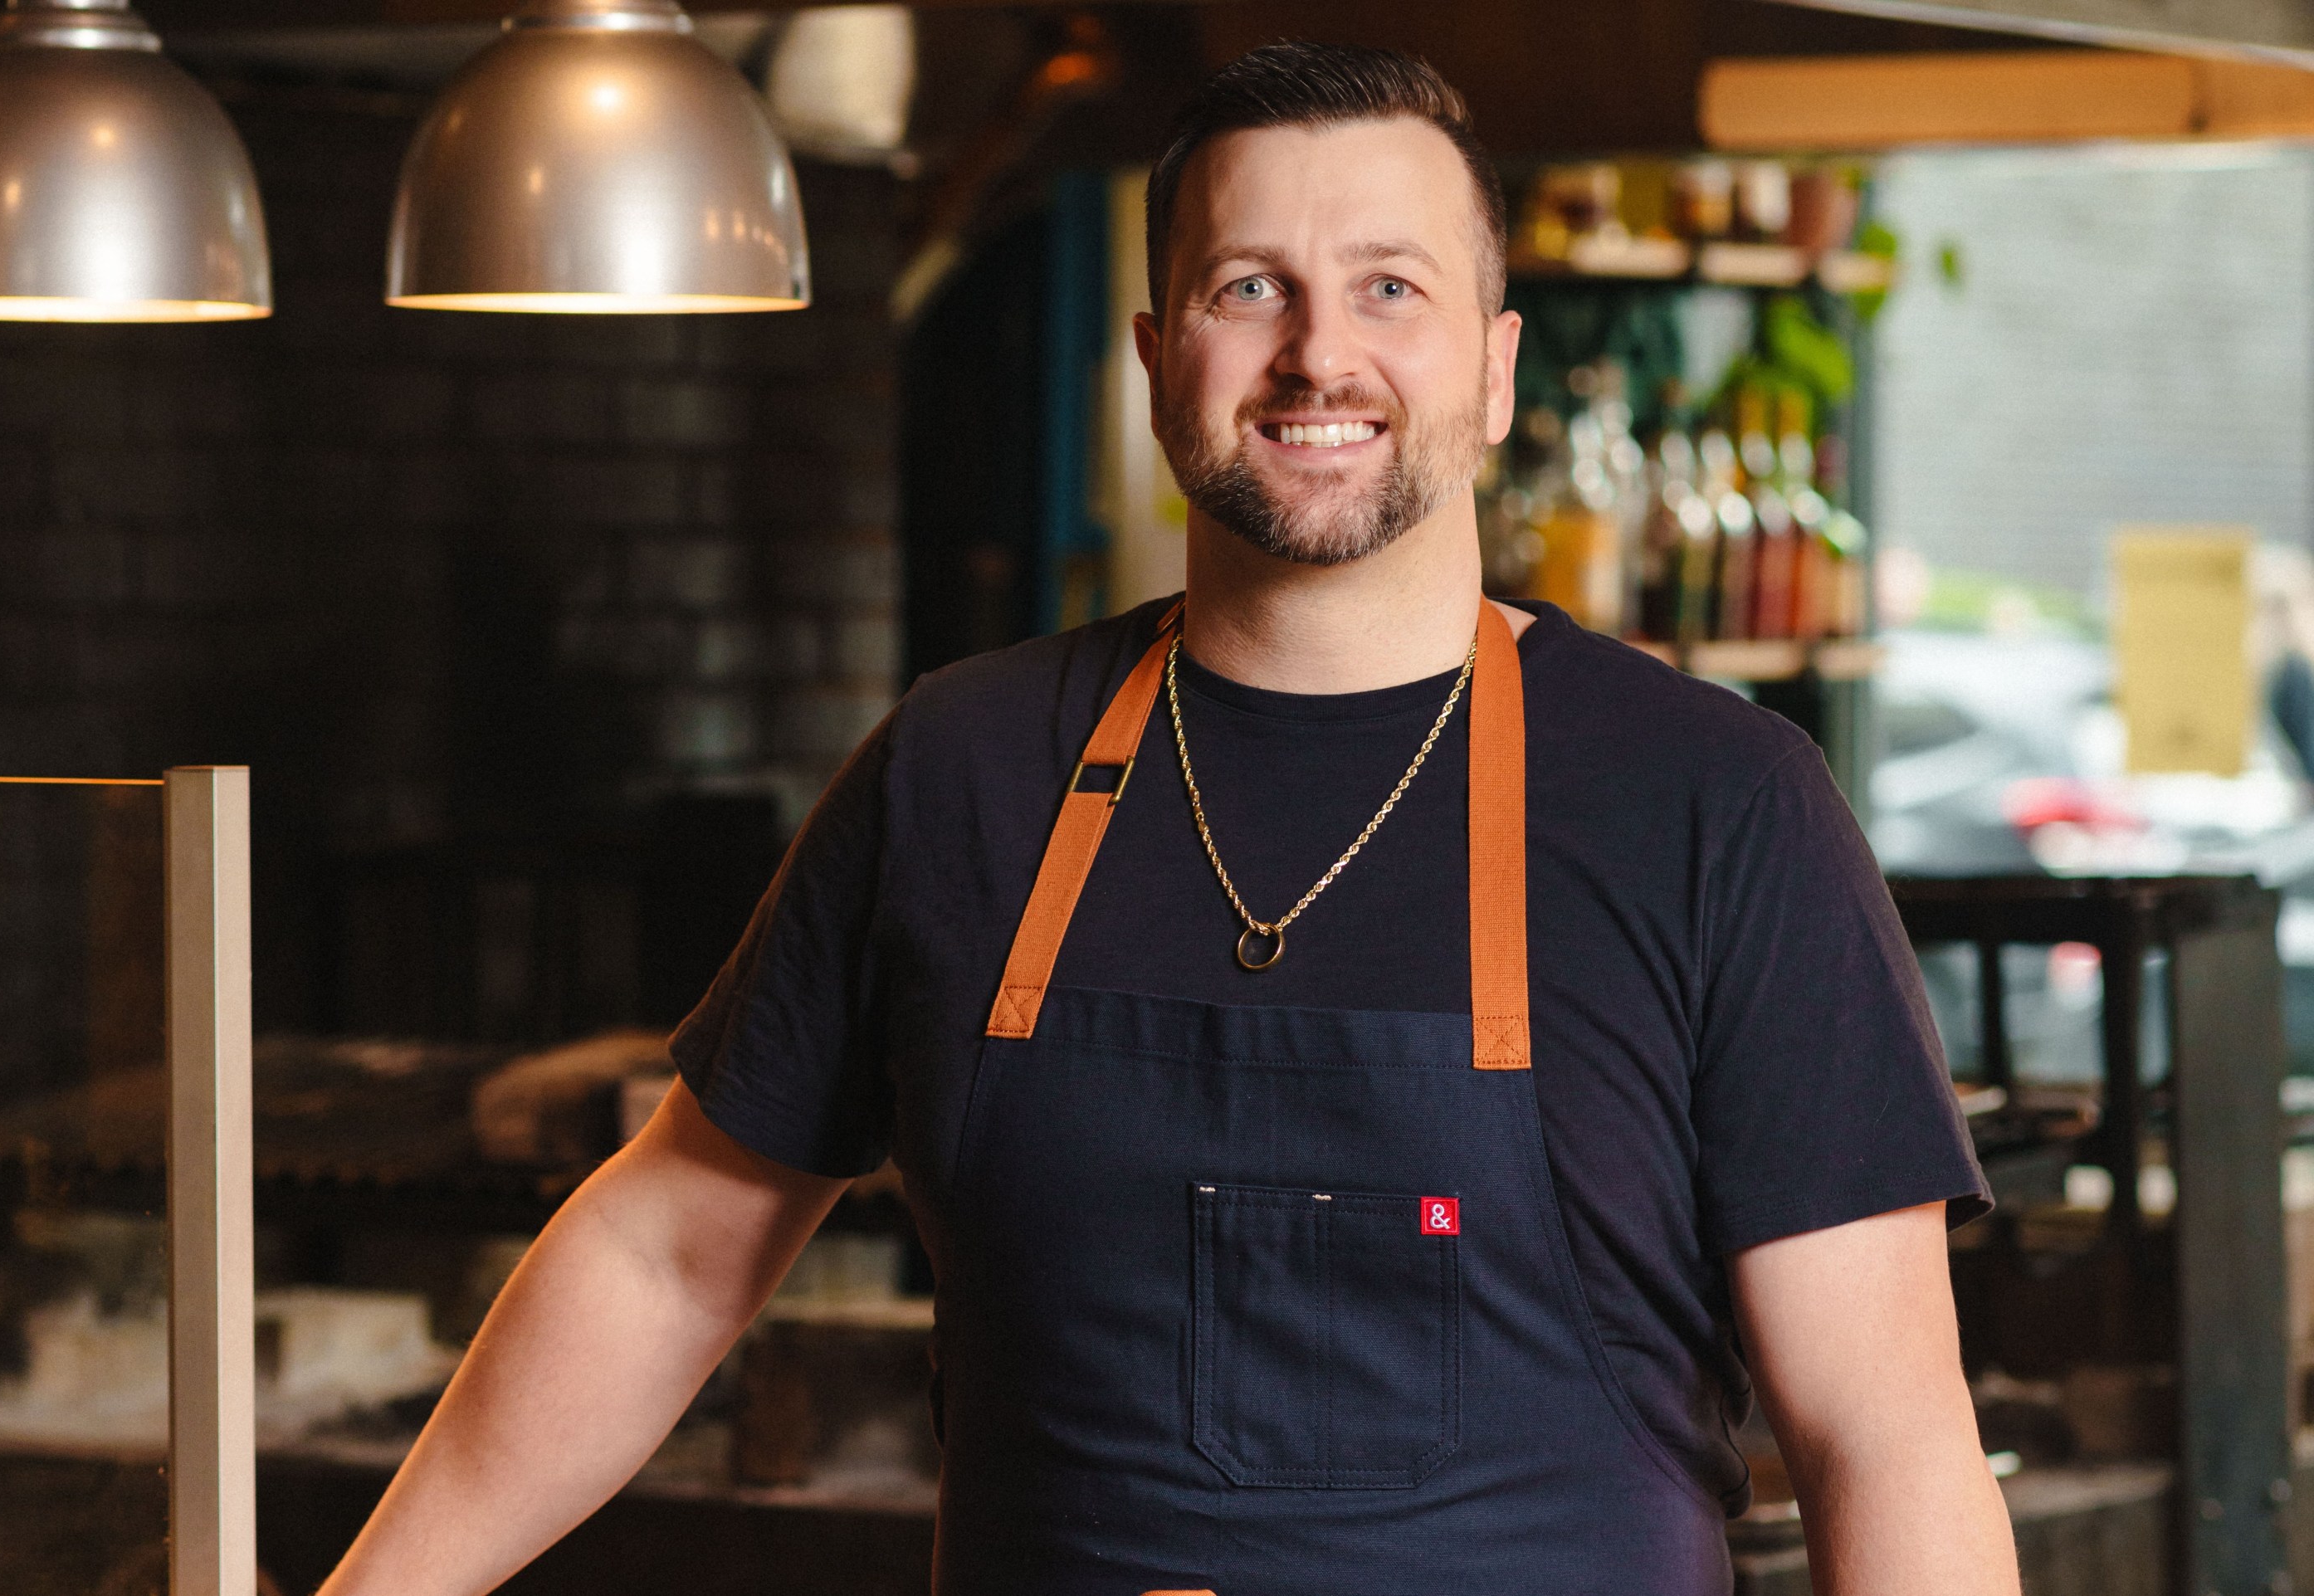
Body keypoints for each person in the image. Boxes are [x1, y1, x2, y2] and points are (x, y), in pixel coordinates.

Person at [319, 41, 2017, 1596]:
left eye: (1389, 288)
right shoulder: (962, 772)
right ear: (1155, 360)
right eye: (1249, 286)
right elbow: (666, 1249)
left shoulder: (1713, 803)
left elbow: (1886, 1426)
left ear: (1496, 370)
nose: (1318, 353)